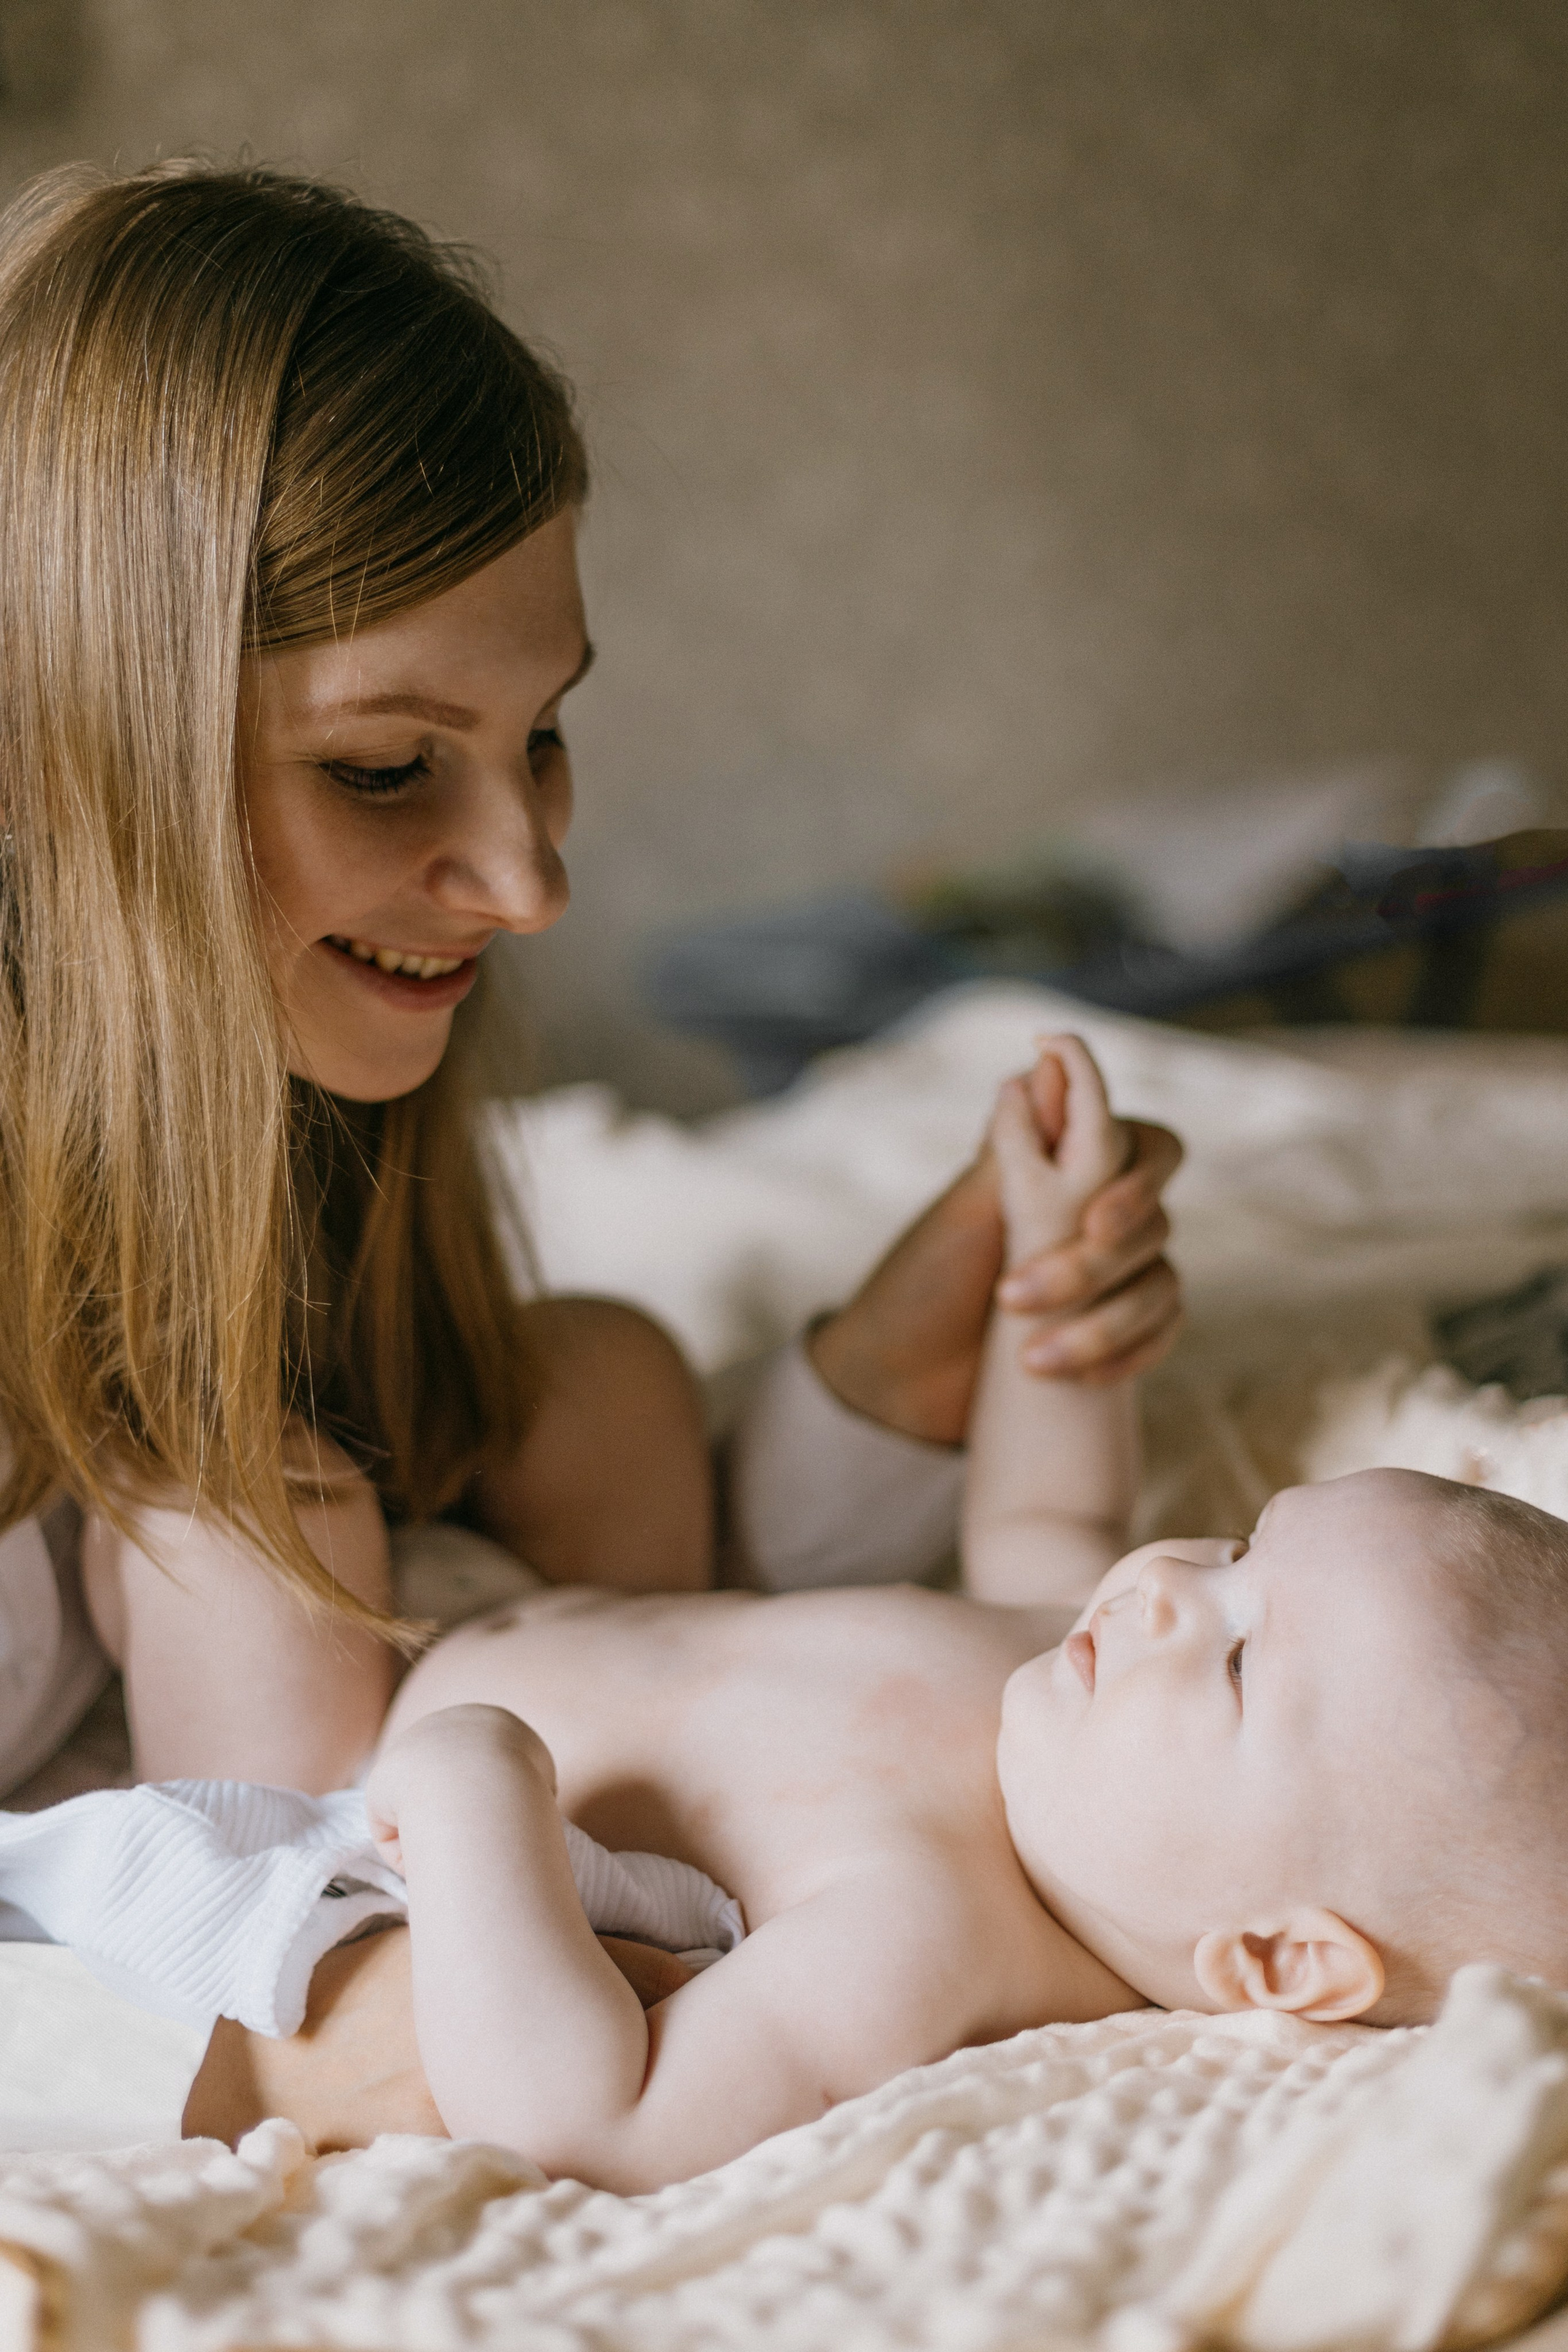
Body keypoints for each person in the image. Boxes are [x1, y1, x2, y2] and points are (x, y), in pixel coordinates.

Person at [0, 159, 1182, 1806]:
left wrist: (897, 1377)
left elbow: (601, 1636)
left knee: (594, 1386)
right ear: (60, 758)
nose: (530, 887)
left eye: (542, 735)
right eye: (386, 767)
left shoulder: (271, 1119)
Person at [183, 1039, 1568, 2187]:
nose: (1165, 1589)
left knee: (244, 1491)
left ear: (1277, 1958)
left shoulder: (928, 1938)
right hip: (571, 1598)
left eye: (1243, 1661)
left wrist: (468, 1785)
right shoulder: (1077, 1701)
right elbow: (1049, 1515)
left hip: (346, 1783)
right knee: (606, 1372)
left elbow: (594, 2121)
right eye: (1238, 1546)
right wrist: (1054, 1277)